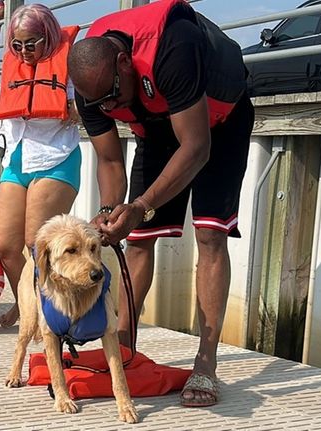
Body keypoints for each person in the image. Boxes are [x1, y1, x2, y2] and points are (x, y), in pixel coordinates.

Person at [67, 0, 253, 408]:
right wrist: (113, 209)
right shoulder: (93, 89)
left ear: (124, 62)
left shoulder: (174, 47)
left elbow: (197, 147)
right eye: (102, 106)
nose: (110, 110)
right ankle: (125, 349)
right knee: (135, 238)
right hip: (157, 122)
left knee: (209, 234)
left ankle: (205, 361)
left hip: (217, 125)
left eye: (113, 97)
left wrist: (142, 205)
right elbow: (111, 159)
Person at [0, 4, 82, 329]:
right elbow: (3, 125)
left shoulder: (67, 64)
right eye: (16, 44)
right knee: (6, 244)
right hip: (17, 159)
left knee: (36, 243)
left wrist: (74, 106)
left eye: (31, 43)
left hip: (56, 158)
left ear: (48, 38)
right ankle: (30, 304)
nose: (24, 51)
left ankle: (51, 316)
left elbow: (86, 112)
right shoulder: (13, 71)